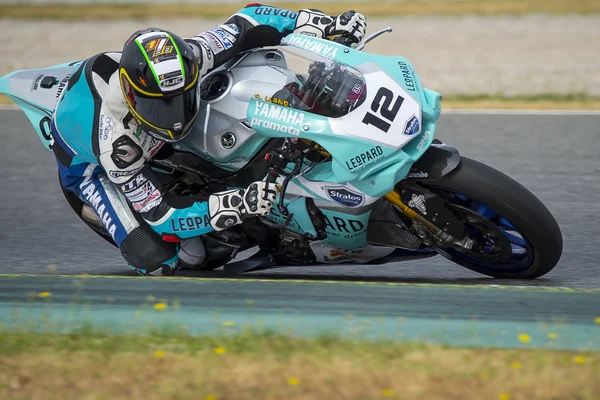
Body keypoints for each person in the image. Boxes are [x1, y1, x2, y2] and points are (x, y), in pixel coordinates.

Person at [50, 4, 368, 276]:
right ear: (133, 96)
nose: (174, 116)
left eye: (180, 98)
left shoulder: (195, 55)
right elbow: (161, 216)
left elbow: (249, 19)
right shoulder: (115, 143)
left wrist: (325, 23)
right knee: (162, 261)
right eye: (160, 106)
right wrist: (234, 205)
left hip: (149, 134)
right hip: (90, 167)